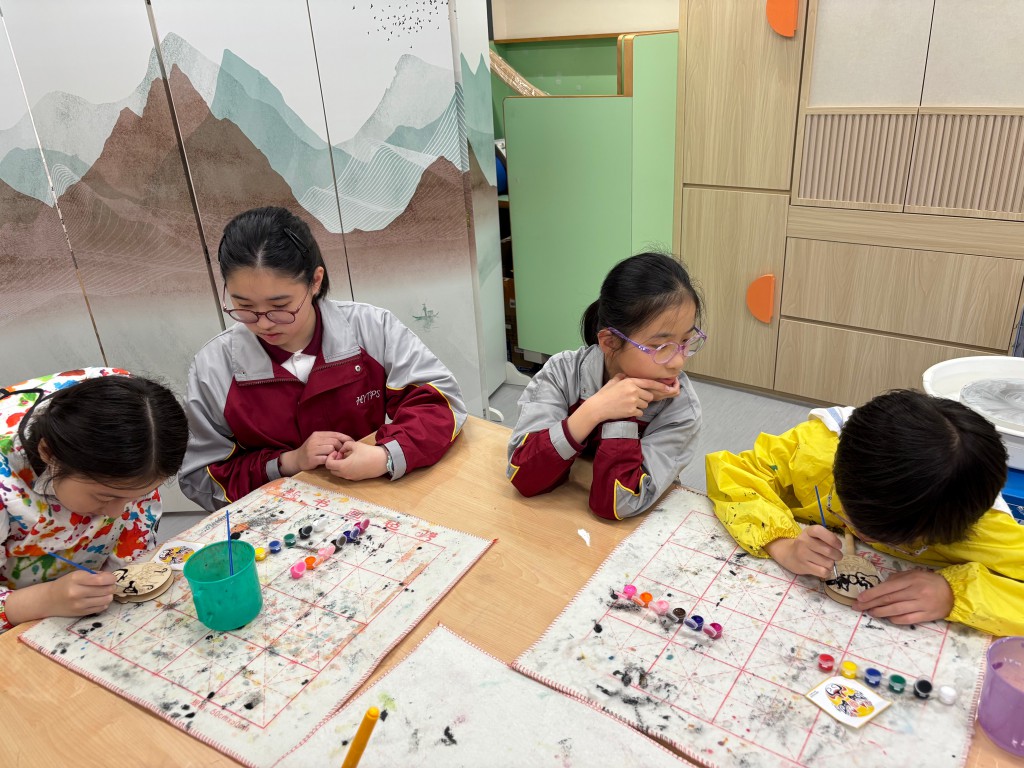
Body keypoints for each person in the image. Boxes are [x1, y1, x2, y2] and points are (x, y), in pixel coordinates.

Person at [179, 206, 467, 512]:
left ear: (315, 281)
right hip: (276, 516)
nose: (263, 323)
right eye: (244, 306)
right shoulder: (213, 368)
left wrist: (384, 456)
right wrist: (286, 463)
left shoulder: (371, 329)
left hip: (368, 498)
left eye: (280, 306)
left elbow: (440, 403)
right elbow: (201, 476)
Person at [706, 389, 1024, 636]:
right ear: (838, 471)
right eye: (850, 517)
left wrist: (954, 593)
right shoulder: (815, 449)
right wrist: (780, 541)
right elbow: (734, 472)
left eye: (901, 539)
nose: (863, 537)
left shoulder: (984, 526)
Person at [506, 252, 704, 519]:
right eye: (660, 347)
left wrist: (622, 414)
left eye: (686, 341)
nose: (678, 362)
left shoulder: (680, 410)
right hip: (557, 513)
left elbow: (617, 503)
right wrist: (594, 410)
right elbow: (524, 476)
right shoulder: (563, 372)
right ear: (610, 342)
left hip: (634, 531)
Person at [0, 368, 188, 633]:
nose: (117, 512)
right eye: (105, 496)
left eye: (137, 496)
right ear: (48, 454)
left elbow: (135, 520)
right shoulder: (6, 479)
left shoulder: (135, 417)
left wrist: (123, 573)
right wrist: (43, 600)